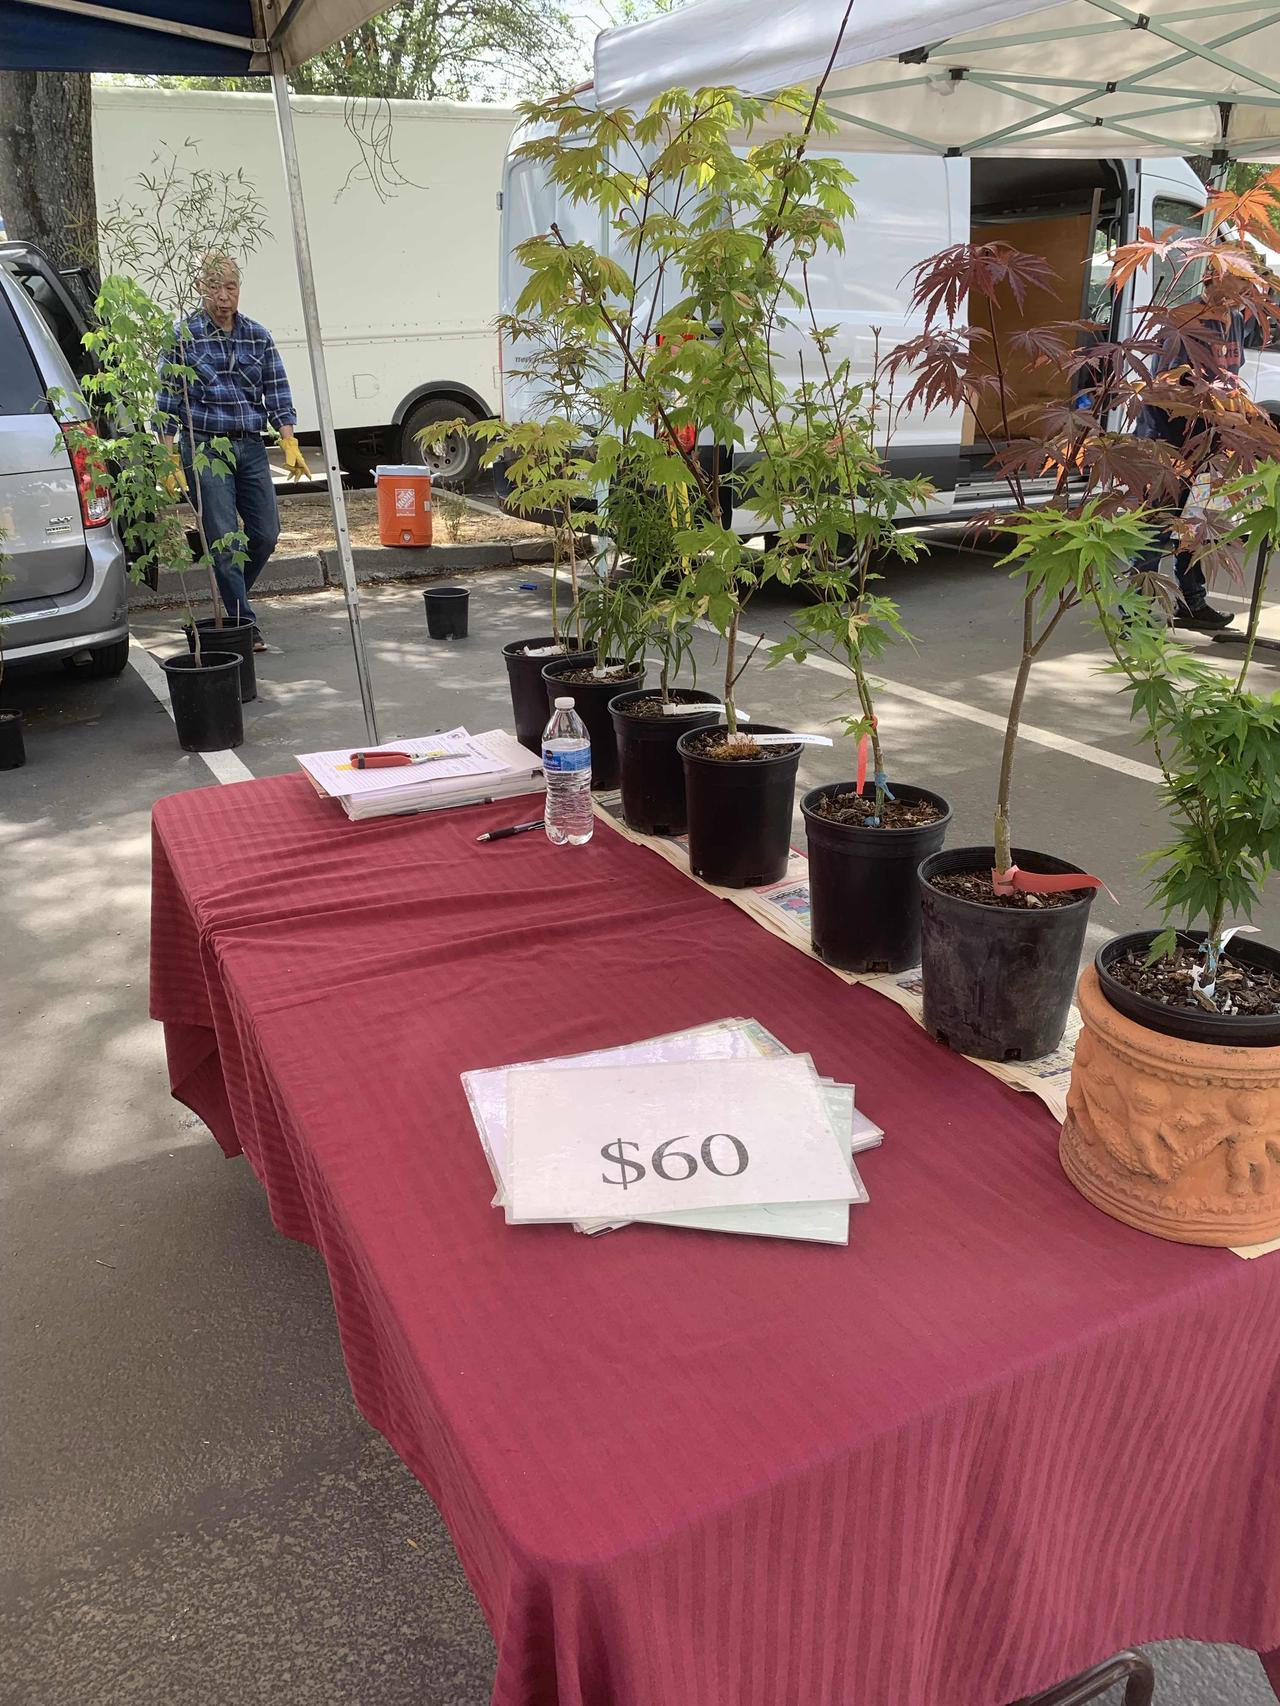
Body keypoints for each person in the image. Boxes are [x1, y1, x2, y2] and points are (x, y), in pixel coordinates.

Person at [158, 254, 311, 651]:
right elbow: (167, 404)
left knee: (266, 534)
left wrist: (289, 439)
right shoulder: (182, 337)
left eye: (231, 287)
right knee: (225, 539)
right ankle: (244, 622)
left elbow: (277, 390)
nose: (224, 297)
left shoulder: (257, 336)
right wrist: (168, 458)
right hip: (205, 447)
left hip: (251, 445)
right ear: (200, 288)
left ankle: (230, 596)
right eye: (215, 287)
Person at [1132, 295, 1245, 632]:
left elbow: (1230, 380)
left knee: (1194, 527)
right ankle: (1136, 612)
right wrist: (1219, 413)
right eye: (1243, 281)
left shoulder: (1236, 319)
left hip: (1208, 442)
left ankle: (1192, 601)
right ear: (1214, 275)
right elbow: (1166, 385)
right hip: (1169, 442)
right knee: (1155, 528)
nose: (1251, 291)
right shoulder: (1184, 317)